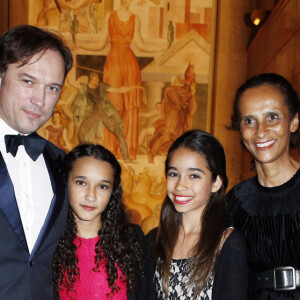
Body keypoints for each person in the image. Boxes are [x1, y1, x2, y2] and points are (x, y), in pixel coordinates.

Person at [0, 25, 73, 299]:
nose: (40, 100)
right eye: (28, 81)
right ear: (1, 77)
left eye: (52, 88)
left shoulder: (61, 163)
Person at [146, 130, 248, 299]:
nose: (180, 185)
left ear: (216, 183)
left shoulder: (228, 243)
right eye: (173, 174)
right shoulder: (153, 240)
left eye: (194, 176)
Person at [227, 73, 300, 299]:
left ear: (294, 121)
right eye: (249, 120)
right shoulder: (234, 203)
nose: (260, 131)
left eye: (272, 117)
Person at [53, 144, 145, 299]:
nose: (91, 196)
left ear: (112, 192)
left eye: (102, 186)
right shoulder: (49, 244)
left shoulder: (132, 239)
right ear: (65, 184)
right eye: (81, 182)